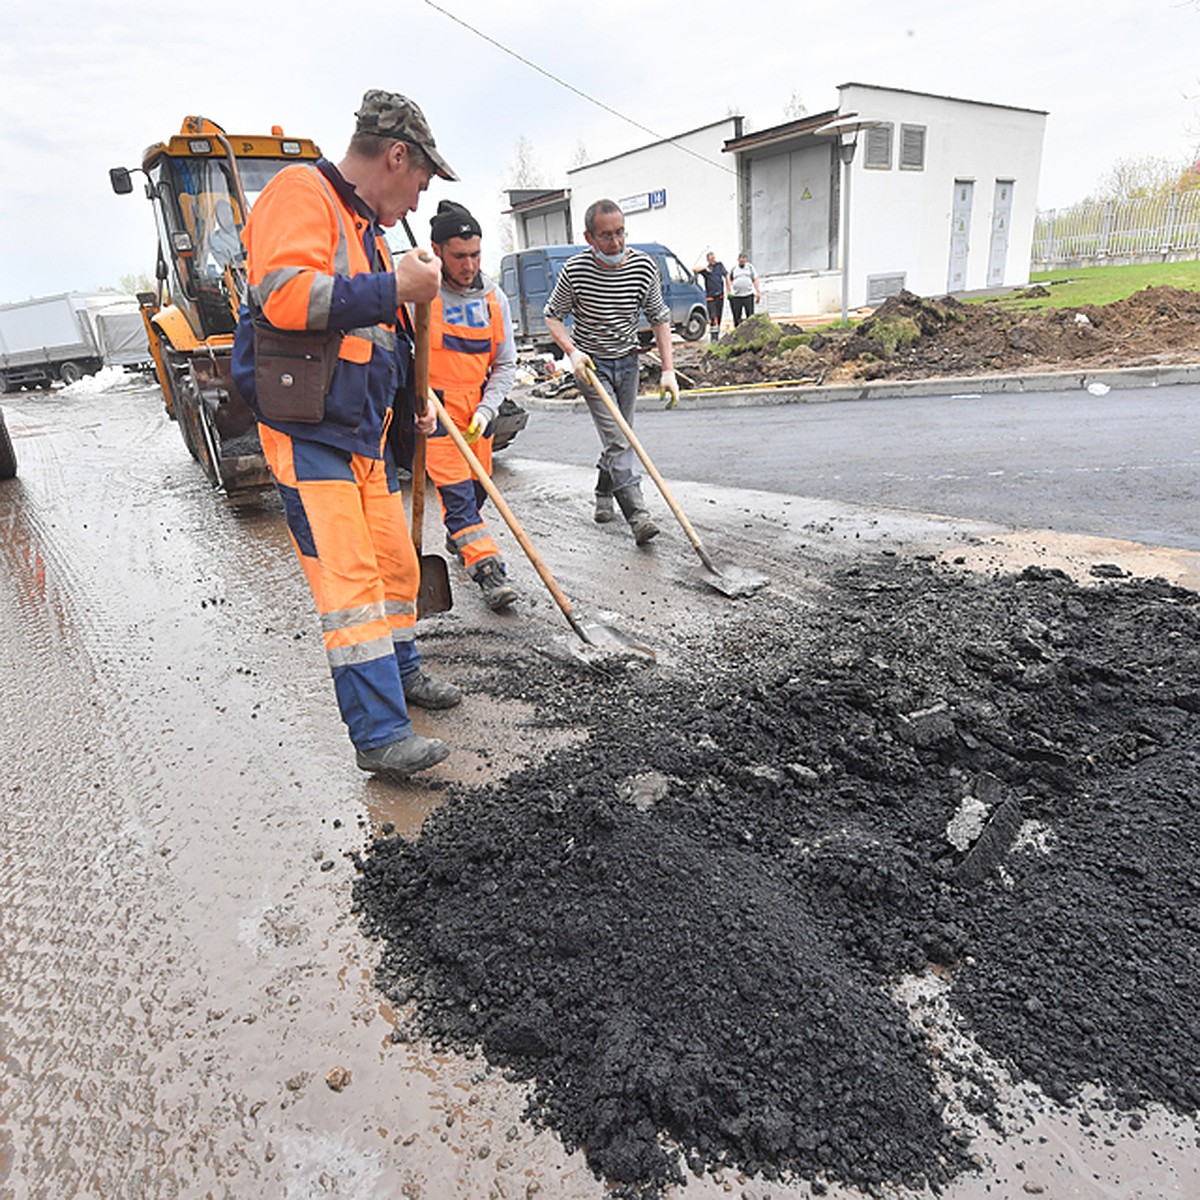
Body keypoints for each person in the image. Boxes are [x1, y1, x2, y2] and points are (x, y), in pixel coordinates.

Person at [230, 89, 463, 781]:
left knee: (393, 566)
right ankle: (380, 735)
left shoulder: (366, 229)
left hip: (361, 432)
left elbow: (372, 338)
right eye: (420, 182)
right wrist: (394, 287)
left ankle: (405, 674)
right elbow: (287, 297)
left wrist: (412, 402)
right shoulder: (300, 193)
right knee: (350, 586)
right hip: (309, 431)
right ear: (396, 156)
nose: (419, 203)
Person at [543, 199, 680, 543]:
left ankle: (604, 492)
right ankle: (638, 515)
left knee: (621, 436)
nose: (615, 243)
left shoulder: (644, 268)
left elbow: (660, 318)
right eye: (606, 236)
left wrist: (668, 369)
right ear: (589, 236)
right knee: (620, 439)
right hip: (592, 367)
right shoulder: (574, 272)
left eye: (620, 233)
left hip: (628, 362)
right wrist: (572, 352)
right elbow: (552, 315)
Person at [426, 199, 519, 612]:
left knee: (479, 494)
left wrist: (487, 409)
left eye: (476, 255)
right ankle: (489, 572)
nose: (469, 265)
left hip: (479, 413)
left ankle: (459, 535)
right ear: (438, 251)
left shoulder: (493, 299)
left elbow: (505, 364)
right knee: (459, 497)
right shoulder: (421, 295)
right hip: (436, 412)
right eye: (459, 256)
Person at [693, 250, 729, 342]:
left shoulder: (719, 265)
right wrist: (705, 268)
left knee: (719, 316)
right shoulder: (705, 270)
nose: (713, 260)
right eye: (711, 259)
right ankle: (713, 337)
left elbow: (726, 275)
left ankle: (717, 334)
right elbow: (694, 269)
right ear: (708, 260)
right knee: (713, 317)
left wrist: (729, 289)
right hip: (710, 297)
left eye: (714, 258)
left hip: (720, 295)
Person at [728, 252, 762, 326]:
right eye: (741, 260)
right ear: (738, 260)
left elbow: (755, 279)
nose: (742, 262)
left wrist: (758, 291)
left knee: (750, 316)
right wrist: (729, 291)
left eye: (744, 260)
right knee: (737, 317)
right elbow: (729, 280)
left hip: (748, 295)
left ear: (746, 260)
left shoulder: (750, 268)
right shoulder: (734, 269)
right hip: (737, 296)